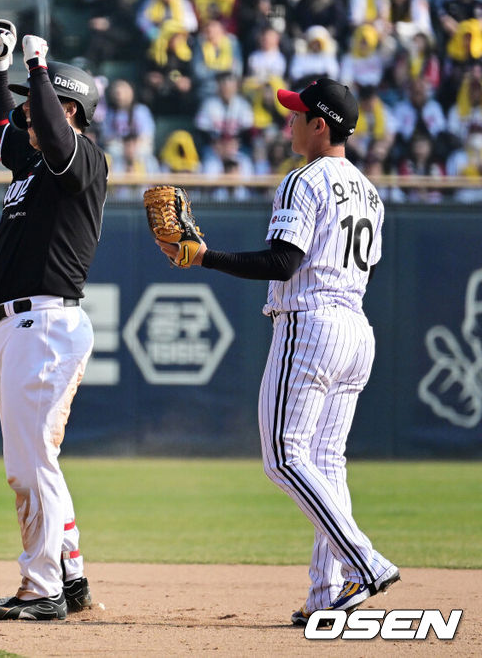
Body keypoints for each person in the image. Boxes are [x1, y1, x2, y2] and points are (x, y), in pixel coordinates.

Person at [154, 78, 400, 627]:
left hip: (310, 324)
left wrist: (205, 257)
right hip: (357, 327)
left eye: (297, 114)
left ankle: (365, 561)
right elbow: (369, 267)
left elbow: (283, 263)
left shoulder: (303, 180)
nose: (288, 122)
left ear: (321, 125)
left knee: (283, 457)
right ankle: (324, 595)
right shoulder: (371, 192)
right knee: (326, 463)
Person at [0, 19, 107, 621]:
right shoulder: (34, 163)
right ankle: (70, 576)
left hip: (47, 326)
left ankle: (42, 588)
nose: (30, 114)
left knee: (28, 465)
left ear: (70, 109)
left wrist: (36, 71)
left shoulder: (82, 161)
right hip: (20, 328)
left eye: (44, 104)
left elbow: (56, 141)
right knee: (36, 459)